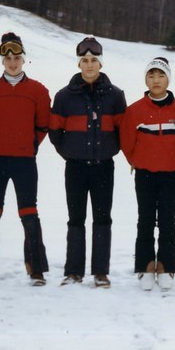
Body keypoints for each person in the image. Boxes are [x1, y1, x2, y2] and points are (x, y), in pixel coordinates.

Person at [0, 32, 52, 287]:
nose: (12, 63)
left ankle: (36, 270)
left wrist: (29, 146)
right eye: (7, 59)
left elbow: (43, 126)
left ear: (23, 59)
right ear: (2, 60)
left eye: (17, 58)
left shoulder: (38, 91)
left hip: (25, 161)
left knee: (29, 213)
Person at [49, 36, 126, 288]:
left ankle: (100, 272)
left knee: (102, 219)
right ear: (79, 64)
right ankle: (73, 272)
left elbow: (122, 131)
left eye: (94, 60)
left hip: (104, 166)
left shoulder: (115, 96)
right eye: (85, 60)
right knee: (76, 218)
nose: (89, 65)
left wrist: (109, 150)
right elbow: (55, 131)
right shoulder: (64, 96)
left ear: (101, 63)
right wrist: (71, 152)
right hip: (76, 167)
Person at [121, 56, 175, 291]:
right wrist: (138, 161)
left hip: (170, 174)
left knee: (168, 220)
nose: (156, 80)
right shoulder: (135, 110)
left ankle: (166, 266)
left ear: (168, 79)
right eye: (151, 75)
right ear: (146, 80)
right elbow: (127, 142)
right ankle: (145, 265)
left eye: (161, 75)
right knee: (145, 219)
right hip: (145, 174)